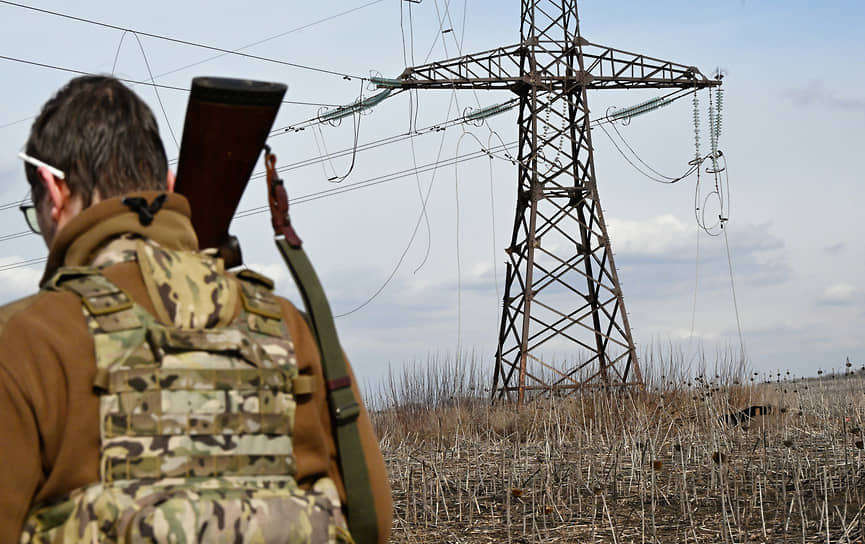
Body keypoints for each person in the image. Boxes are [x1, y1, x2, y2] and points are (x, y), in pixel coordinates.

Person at [0, 75, 391, 542]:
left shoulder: (24, 340)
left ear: (54, 190)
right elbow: (374, 522)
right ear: (167, 186)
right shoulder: (289, 327)